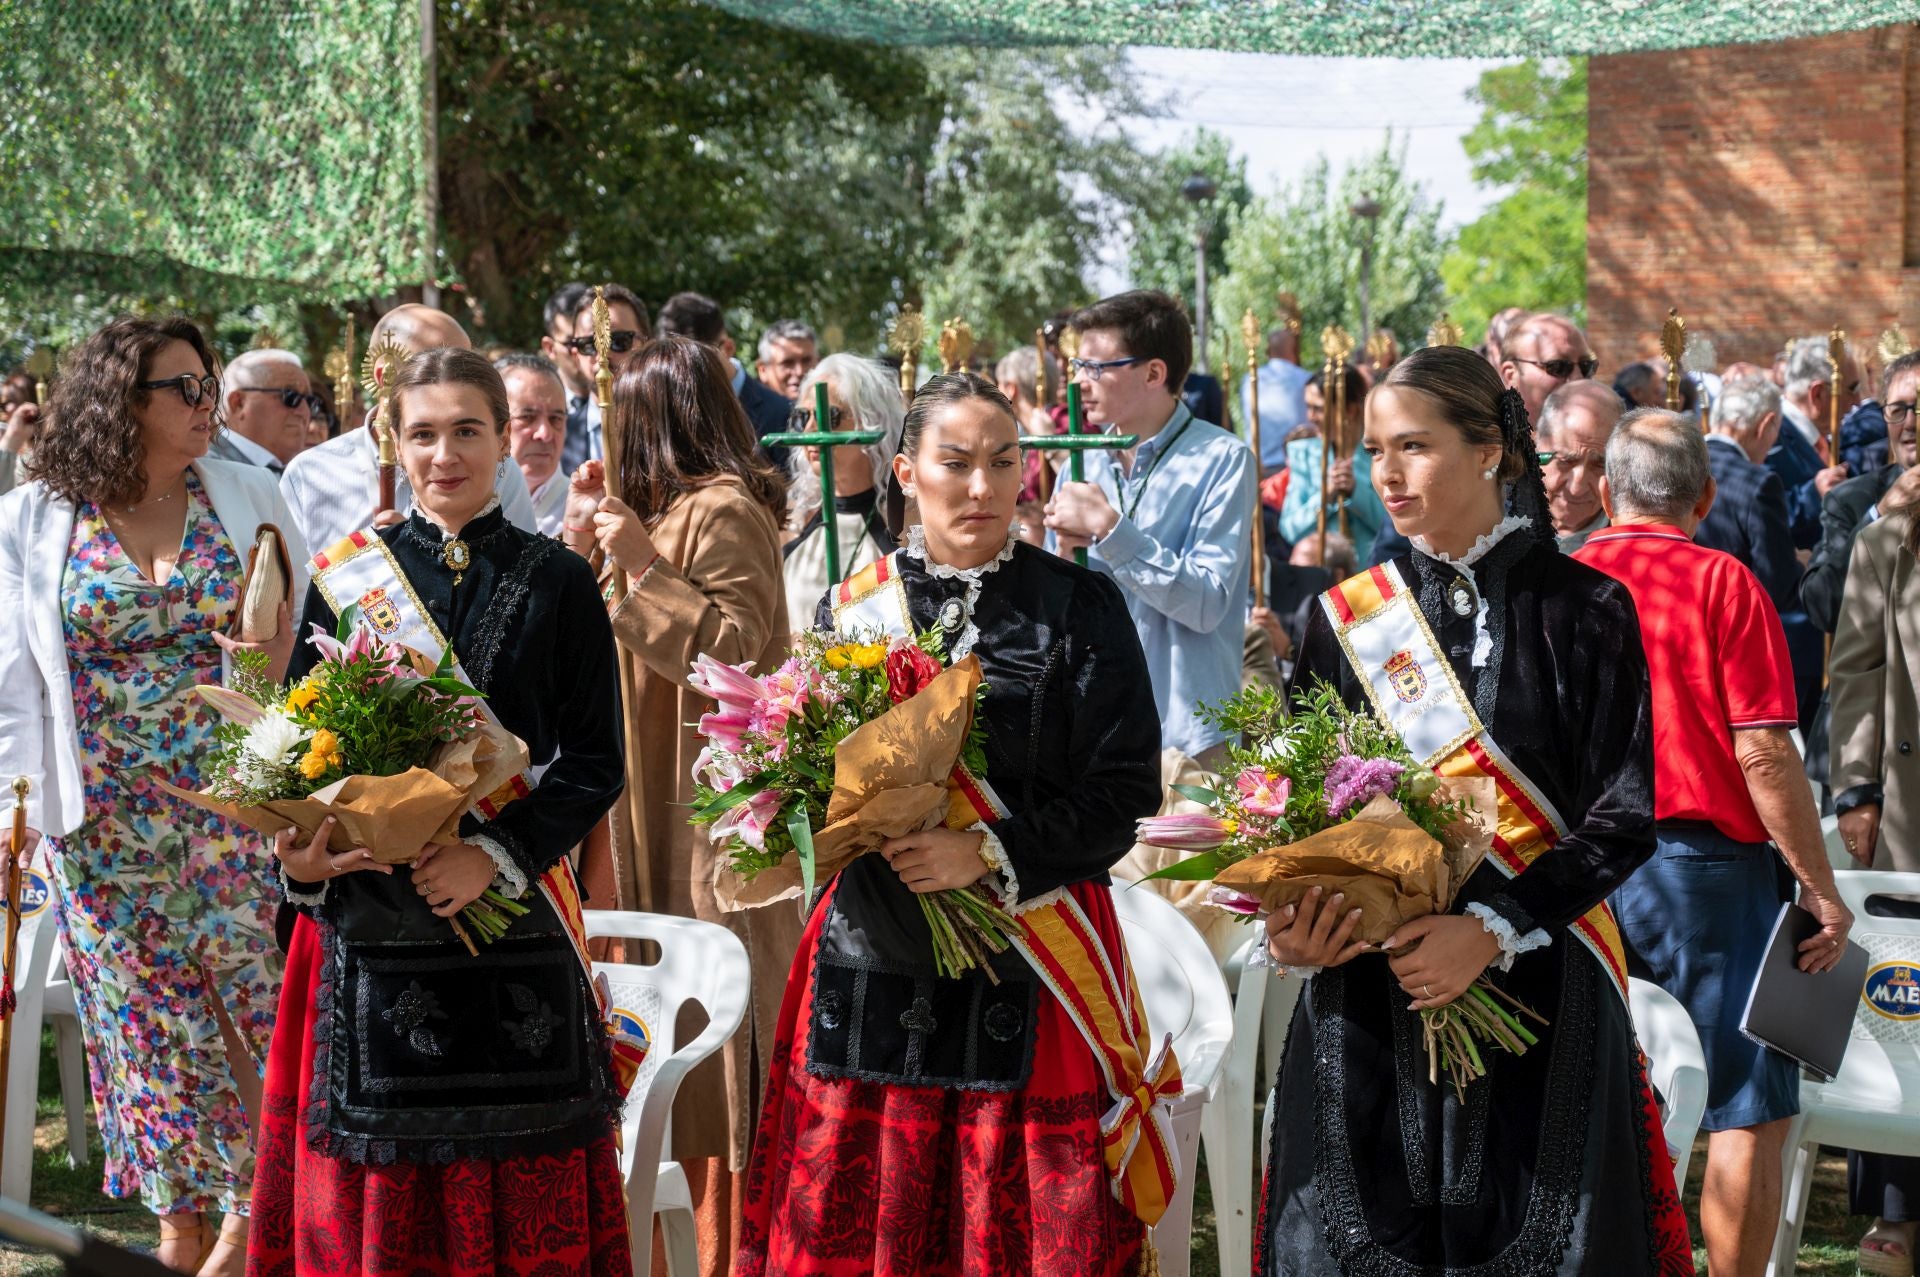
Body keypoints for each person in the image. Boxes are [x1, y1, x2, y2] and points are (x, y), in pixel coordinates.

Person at [1258, 346, 1692, 1275]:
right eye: (1376, 449)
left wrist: (1490, 930)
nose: (1386, 473)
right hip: (1365, 1007)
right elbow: (1299, 815)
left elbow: (1620, 821)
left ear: (1490, 447)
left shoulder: (1585, 609)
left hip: (1541, 998)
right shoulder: (1343, 619)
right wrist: (1292, 925)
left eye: (1413, 445)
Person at [737, 373, 1166, 1276]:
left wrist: (986, 850)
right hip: (871, 952)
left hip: (1034, 953)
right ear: (905, 471)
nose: (982, 487)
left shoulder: (1081, 608)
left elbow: (1123, 793)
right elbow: (815, 773)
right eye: (956, 463)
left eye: (1003, 463)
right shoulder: (852, 608)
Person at [249, 347, 629, 1276]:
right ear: (393, 441)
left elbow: (595, 764)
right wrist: (297, 859)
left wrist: (494, 855)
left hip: (513, 926)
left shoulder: (559, 580)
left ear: (505, 438)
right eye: (423, 433)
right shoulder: (350, 580)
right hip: (373, 924)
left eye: (468, 430)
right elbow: (293, 751)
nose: (445, 453)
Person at [0, 316, 303, 1275]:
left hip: (232, 811)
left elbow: (288, 644)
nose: (207, 404)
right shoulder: (36, 517)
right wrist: (14, 809)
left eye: (210, 384)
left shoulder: (249, 490)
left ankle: (257, 1210)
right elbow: (12, 681)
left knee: (256, 1006)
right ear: (122, 401)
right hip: (102, 822)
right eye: (186, 388)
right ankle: (178, 1224)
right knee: (145, 1028)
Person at [1575, 409, 1854, 1277]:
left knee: (1585, 1099)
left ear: (1604, 491)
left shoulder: (1562, 574)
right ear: (1704, 496)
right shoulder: (1725, 581)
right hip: (1702, 873)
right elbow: (1765, 749)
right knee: (1745, 1107)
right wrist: (1818, 884)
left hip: (1578, 865)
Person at [561, 336, 796, 1277]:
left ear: (653, 420)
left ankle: (731, 1256)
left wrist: (645, 567)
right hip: (631, 811)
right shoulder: (657, 515)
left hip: (701, 816)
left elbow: (737, 652)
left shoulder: (726, 510)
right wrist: (592, 544)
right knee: (644, 1038)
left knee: (712, 1049)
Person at [1044, 289, 1256, 767]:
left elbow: (1206, 604)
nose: (1079, 383)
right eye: (1078, 366)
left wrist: (1107, 527)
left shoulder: (1224, 460)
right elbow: (1061, 614)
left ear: (1154, 373)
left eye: (1096, 368)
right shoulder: (1079, 465)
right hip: (1096, 734)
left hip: (1190, 738)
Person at [280, 305, 539, 550]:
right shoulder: (309, 475)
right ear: (384, 376)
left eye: (466, 367)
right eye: (432, 365)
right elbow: (295, 590)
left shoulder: (495, 470)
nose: (454, 380)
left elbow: (523, 569)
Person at [782, 353, 905, 633]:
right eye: (804, 417)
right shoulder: (792, 518)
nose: (812, 429)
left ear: (869, 420)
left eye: (829, 415)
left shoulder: (904, 518)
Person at [1803, 351, 1920, 635]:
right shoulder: (1851, 500)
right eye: (1897, 410)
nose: (1909, 423)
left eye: (1918, 407)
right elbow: (1823, 605)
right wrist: (1879, 515)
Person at [1696, 375, 1801, 613]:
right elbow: (1776, 587)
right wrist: (1800, 566)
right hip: (1734, 625)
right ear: (1766, 425)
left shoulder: (1675, 464)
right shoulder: (1760, 483)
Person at [655, 291, 791, 464]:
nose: (684, 373)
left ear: (727, 347)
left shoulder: (780, 414)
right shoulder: (667, 411)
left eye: (698, 361)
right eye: (673, 363)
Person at [1279, 364, 1384, 560]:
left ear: (1350, 410)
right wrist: (1325, 495)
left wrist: (1356, 492)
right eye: (1308, 407)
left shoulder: (1380, 452)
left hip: (1372, 575)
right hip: (1320, 576)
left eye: (1318, 408)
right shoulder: (1303, 454)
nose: (1310, 417)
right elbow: (1290, 529)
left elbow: (1395, 527)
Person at [557, 282, 649, 476]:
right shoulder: (556, 438)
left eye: (618, 341)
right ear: (576, 355)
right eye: (589, 345)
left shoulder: (676, 429)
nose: (603, 354)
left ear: (647, 345)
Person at [1774, 335, 1855, 548]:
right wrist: (1813, 494)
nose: (1857, 401)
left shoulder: (1822, 436)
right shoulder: (1770, 436)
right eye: (1852, 389)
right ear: (1817, 394)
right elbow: (1759, 517)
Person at [1535, 379, 1622, 551]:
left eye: (1600, 465)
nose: (1577, 488)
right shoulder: (1495, 520)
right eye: (1566, 461)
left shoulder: (1631, 543)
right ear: (1535, 446)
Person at [492, 352, 570, 537]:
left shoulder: (589, 512)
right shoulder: (458, 502)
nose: (545, 434)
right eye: (527, 417)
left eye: (555, 419)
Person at [208, 349, 313, 474]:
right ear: (238, 403)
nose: (304, 411)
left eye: (310, 401)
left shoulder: (305, 472)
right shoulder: (207, 470)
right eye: (290, 397)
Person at [1499, 312, 1597, 424]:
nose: (1578, 379)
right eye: (1558, 367)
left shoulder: (1610, 434)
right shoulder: (1486, 438)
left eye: (1586, 366)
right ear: (1510, 376)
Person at [1243, 326, 1311, 473]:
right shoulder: (1305, 379)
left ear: (1269, 351)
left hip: (1259, 466)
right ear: (1295, 350)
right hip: (1296, 465)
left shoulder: (1248, 379)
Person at [755, 318, 819, 399]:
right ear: (763, 370)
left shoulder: (834, 408)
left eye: (806, 361)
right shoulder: (744, 410)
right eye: (787, 363)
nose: (800, 372)